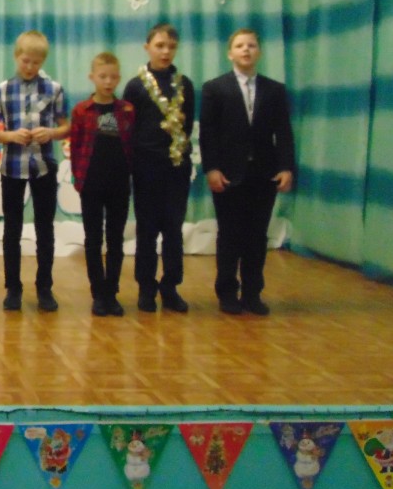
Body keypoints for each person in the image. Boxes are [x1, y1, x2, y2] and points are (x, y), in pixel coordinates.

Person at [199, 29, 295, 316]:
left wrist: (286, 167)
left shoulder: (274, 90)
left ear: (259, 52)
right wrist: (211, 168)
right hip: (229, 173)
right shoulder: (215, 88)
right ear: (230, 53)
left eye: (251, 45)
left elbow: (284, 132)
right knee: (229, 235)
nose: (246, 50)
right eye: (239, 45)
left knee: (257, 236)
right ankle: (227, 292)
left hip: (264, 173)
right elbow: (207, 133)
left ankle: (253, 293)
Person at [0, 30, 69, 312]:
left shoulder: (54, 89)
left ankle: (44, 287)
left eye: (36, 62)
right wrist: (9, 136)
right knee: (12, 229)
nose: (30, 66)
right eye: (25, 61)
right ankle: (13, 289)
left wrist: (51, 133)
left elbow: (66, 126)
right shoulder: (1, 89)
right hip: (12, 167)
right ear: (16, 57)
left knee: (45, 229)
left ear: (43, 61)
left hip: (44, 166)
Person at [123, 22, 195, 313]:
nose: (165, 52)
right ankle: (146, 288)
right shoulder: (136, 85)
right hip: (146, 168)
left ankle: (171, 286)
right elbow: (128, 127)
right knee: (147, 230)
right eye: (160, 46)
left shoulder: (184, 84)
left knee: (173, 230)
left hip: (176, 167)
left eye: (171, 47)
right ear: (147, 48)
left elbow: (187, 127)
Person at [69, 52, 135, 317]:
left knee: (116, 239)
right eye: (102, 76)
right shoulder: (82, 110)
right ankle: (98, 293)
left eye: (113, 77)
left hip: (119, 185)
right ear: (92, 77)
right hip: (91, 185)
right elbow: (75, 147)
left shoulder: (127, 110)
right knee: (93, 239)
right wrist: (79, 179)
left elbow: (131, 146)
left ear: (118, 78)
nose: (108, 82)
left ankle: (111, 293)